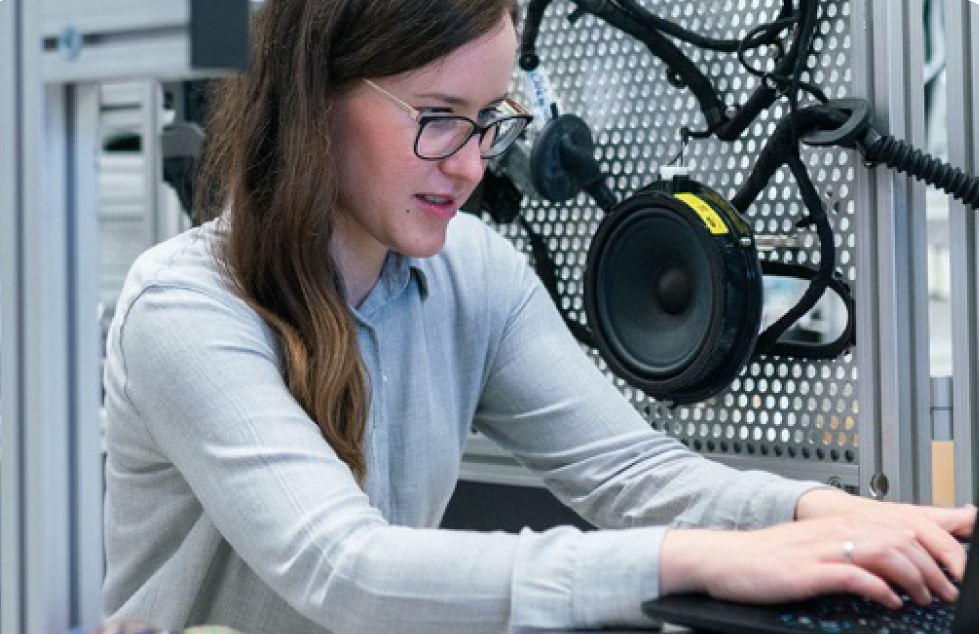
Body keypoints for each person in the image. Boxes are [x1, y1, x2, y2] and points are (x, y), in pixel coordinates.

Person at [101, 0, 975, 633]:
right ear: (313, 99)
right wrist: (694, 560)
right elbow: (346, 571)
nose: (472, 165)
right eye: (439, 119)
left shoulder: (472, 273)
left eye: (489, 121)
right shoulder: (188, 307)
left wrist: (825, 515)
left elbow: (635, 475)